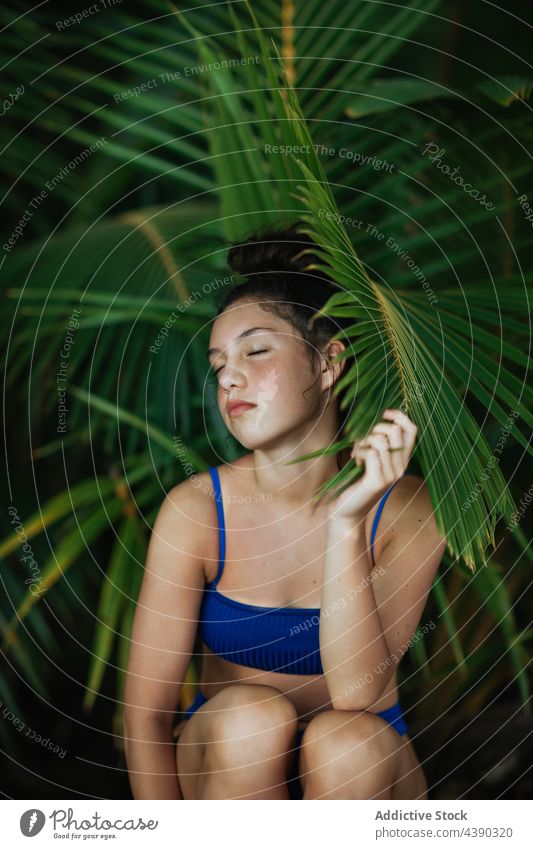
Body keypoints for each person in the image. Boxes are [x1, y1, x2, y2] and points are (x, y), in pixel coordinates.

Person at [123, 224, 446, 800]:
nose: (231, 379)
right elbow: (144, 718)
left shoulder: (406, 509)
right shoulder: (197, 512)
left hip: (359, 774)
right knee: (252, 718)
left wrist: (347, 523)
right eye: (219, 363)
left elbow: (357, 696)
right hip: (224, 774)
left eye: (256, 351)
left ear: (328, 363)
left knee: (345, 739)